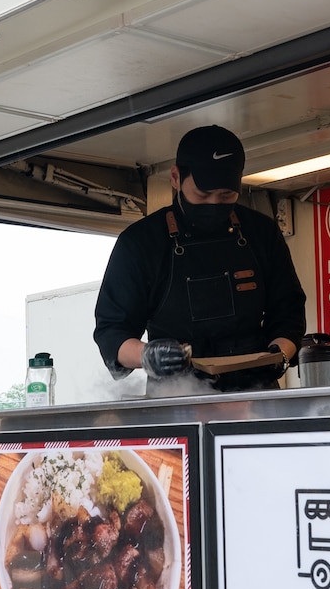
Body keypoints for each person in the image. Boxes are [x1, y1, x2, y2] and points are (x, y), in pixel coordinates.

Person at [94, 125, 306, 391]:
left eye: (226, 195)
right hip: (177, 395)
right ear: (175, 177)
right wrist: (148, 355)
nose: (214, 204)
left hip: (254, 392)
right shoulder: (141, 242)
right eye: (203, 195)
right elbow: (112, 333)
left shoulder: (261, 232)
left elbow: (288, 309)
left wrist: (281, 353)